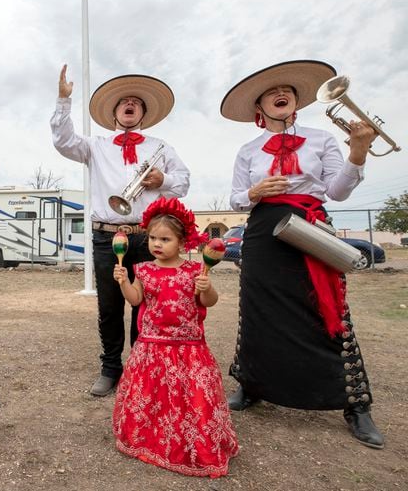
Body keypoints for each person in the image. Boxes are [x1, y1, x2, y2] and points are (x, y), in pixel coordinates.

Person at [221, 60, 383, 448]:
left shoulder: (322, 139)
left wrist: (357, 152)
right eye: (272, 92)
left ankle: (354, 404)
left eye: (289, 91)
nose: (282, 94)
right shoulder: (248, 150)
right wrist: (255, 193)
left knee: (326, 307)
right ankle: (252, 384)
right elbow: (235, 199)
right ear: (258, 106)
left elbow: (338, 191)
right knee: (258, 310)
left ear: (296, 102)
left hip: (310, 223)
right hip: (262, 230)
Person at [52, 64, 190, 396]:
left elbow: (183, 183)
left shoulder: (161, 146)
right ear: (114, 111)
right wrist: (63, 100)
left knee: (145, 305)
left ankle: (142, 367)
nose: (129, 105)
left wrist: (163, 180)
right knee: (110, 306)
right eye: (123, 102)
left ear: (142, 112)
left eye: (136, 102)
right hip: (106, 235)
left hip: (147, 236)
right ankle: (111, 368)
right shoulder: (96, 145)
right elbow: (63, 141)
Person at [112, 197, 238, 477]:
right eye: (153, 238)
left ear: (182, 242)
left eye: (165, 239)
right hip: (151, 346)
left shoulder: (197, 270)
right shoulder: (143, 270)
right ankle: (150, 440)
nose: (157, 244)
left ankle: (190, 445)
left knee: (191, 399)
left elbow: (209, 302)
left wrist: (206, 288)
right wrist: (122, 282)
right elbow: (135, 300)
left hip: (188, 347)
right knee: (153, 398)